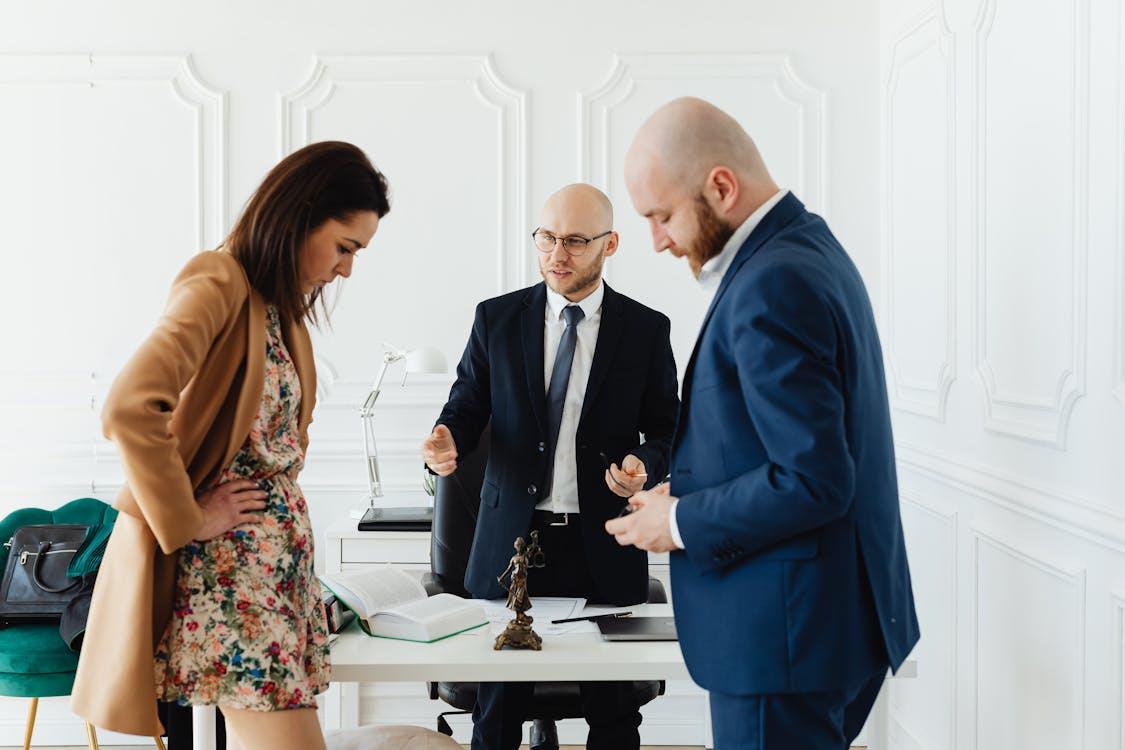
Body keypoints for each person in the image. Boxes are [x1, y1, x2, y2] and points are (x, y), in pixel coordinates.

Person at [606, 97, 920, 750]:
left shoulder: (772, 282)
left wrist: (678, 522)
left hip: (784, 642)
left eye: (661, 216)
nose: (657, 240)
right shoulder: (806, 247)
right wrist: (691, 488)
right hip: (820, 626)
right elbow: (790, 441)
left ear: (720, 187)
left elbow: (814, 478)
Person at [70, 141, 391, 750]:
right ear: (301, 217)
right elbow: (131, 405)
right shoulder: (220, 280)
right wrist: (187, 519)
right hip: (235, 587)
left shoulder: (276, 305)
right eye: (345, 247)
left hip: (274, 583)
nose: (346, 270)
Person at [421, 183, 680, 750]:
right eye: (546, 238)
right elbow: (465, 407)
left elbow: (669, 429)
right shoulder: (496, 318)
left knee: (614, 719)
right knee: (496, 721)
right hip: (512, 546)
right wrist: (446, 439)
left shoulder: (645, 329)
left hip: (603, 544)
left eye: (576, 241)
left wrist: (644, 464)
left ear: (610, 244)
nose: (557, 254)